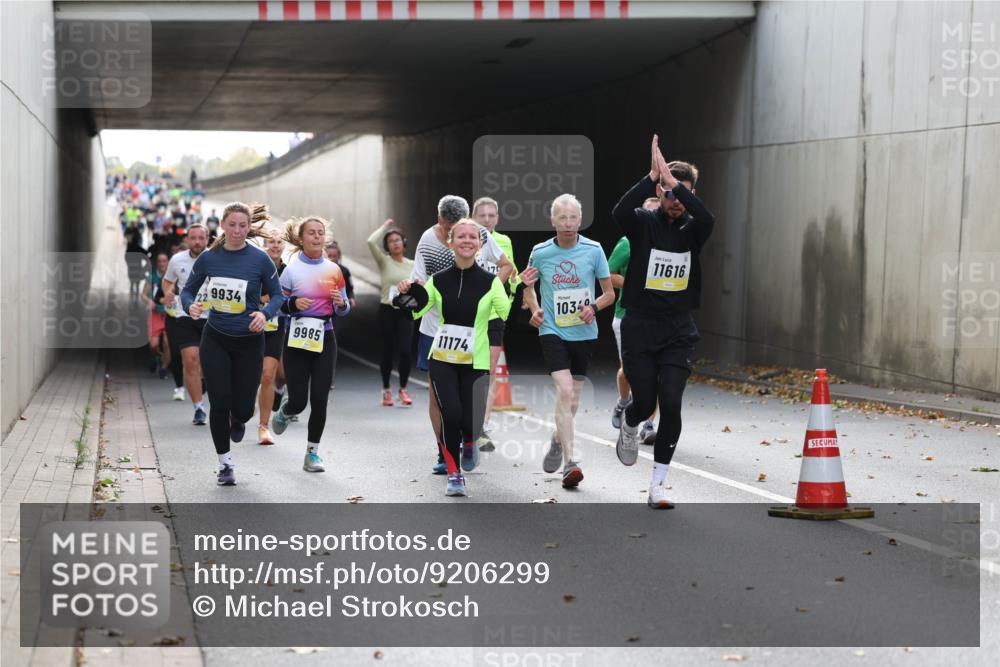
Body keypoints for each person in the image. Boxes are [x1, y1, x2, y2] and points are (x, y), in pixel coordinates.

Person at [611, 135, 715, 509]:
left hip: (677, 330)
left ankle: (657, 485)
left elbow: (708, 217)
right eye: (669, 193)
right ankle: (629, 422)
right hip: (640, 326)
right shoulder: (642, 223)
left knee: (670, 402)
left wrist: (677, 187)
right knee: (644, 403)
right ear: (660, 192)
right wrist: (651, 178)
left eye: (682, 194)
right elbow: (619, 212)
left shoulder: (694, 229)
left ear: (691, 194)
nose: (675, 201)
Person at [398, 219, 510, 496]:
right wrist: (407, 293)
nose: (467, 240)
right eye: (461, 236)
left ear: (480, 244)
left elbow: (504, 313)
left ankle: (470, 442)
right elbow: (415, 310)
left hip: (476, 360)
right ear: (451, 243)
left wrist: (524, 290)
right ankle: (454, 473)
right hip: (443, 358)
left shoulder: (491, 283)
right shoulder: (438, 280)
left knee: (471, 421)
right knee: (451, 414)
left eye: (473, 236)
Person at [182, 202, 285, 487]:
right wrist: (190, 306)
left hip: (249, 342)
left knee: (243, 409)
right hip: (215, 338)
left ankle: (238, 419)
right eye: (232, 225)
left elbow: (278, 296)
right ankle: (225, 464)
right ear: (222, 226)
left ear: (249, 227)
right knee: (219, 401)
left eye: (242, 226)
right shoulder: (209, 257)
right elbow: (188, 291)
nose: (237, 231)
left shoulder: (260, 259)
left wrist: (264, 314)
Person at [520, 194, 614, 489]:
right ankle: (570, 463)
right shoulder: (540, 252)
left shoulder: (594, 250)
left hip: (584, 333)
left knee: (572, 400)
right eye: (563, 217)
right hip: (552, 330)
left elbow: (609, 293)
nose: (569, 223)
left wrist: (593, 307)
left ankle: (558, 438)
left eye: (573, 217)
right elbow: (528, 288)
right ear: (553, 220)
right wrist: (535, 309)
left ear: (580, 220)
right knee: (565, 389)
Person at [270, 217, 351, 473]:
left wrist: (340, 304)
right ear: (302, 238)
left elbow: (344, 309)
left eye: (320, 233)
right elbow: (277, 306)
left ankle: (312, 454)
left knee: (320, 399)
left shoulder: (334, 270)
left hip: (325, 337)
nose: (317, 237)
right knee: (299, 401)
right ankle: (285, 411)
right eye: (312, 233)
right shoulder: (291, 271)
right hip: (296, 340)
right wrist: (293, 304)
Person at [608, 196, 661, 444]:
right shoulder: (627, 242)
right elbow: (608, 274)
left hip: (658, 318)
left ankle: (648, 425)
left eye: (657, 213)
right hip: (626, 315)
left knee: (656, 373)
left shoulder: (669, 243)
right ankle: (623, 401)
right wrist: (636, 285)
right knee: (630, 371)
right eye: (648, 213)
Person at [470, 197, 519, 452]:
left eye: (491, 216)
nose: (487, 220)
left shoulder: (504, 241)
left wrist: (507, 295)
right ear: (474, 217)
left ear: (497, 218)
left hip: (493, 315)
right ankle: (465, 422)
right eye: (482, 216)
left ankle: (482, 426)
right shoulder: (466, 239)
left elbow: (512, 272)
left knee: (487, 372)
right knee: (467, 370)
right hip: (467, 315)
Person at [162, 223, 211, 417]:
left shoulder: (216, 258)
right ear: (187, 240)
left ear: (207, 239)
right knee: (190, 360)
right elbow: (167, 280)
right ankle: (199, 408)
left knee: (207, 363)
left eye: (201, 238)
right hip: (186, 316)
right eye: (193, 238)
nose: (197, 242)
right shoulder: (177, 260)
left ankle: (204, 380)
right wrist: (168, 292)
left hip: (212, 318)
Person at [367, 218, 415, 407]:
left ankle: (403, 389)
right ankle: (386, 390)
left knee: (405, 351)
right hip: (387, 310)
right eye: (390, 241)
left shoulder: (412, 265)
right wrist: (385, 227)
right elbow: (371, 242)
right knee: (388, 350)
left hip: (405, 311)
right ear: (387, 246)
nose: (394, 243)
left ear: (404, 242)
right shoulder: (384, 262)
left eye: (397, 240)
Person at [257, 230, 287, 445]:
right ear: (264, 245)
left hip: (276, 327)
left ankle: (264, 427)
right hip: (252, 325)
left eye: (278, 242)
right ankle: (240, 411)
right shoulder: (256, 266)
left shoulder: (288, 271)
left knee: (269, 375)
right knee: (250, 376)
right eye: (271, 242)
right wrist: (261, 298)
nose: (275, 245)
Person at [143, 251, 171, 379]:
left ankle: (164, 368)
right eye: (159, 261)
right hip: (155, 314)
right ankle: (157, 357)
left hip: (168, 314)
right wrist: (149, 301)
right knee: (153, 345)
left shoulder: (172, 277)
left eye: (164, 261)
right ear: (157, 263)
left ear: (168, 262)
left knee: (167, 343)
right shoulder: (152, 277)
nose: (162, 264)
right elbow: (143, 295)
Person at [125, 230, 147, 303]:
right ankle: (136, 298)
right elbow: (146, 254)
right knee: (137, 284)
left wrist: (128, 263)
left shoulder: (129, 248)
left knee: (131, 283)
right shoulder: (139, 248)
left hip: (131, 267)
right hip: (138, 268)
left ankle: (131, 297)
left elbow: (126, 257)